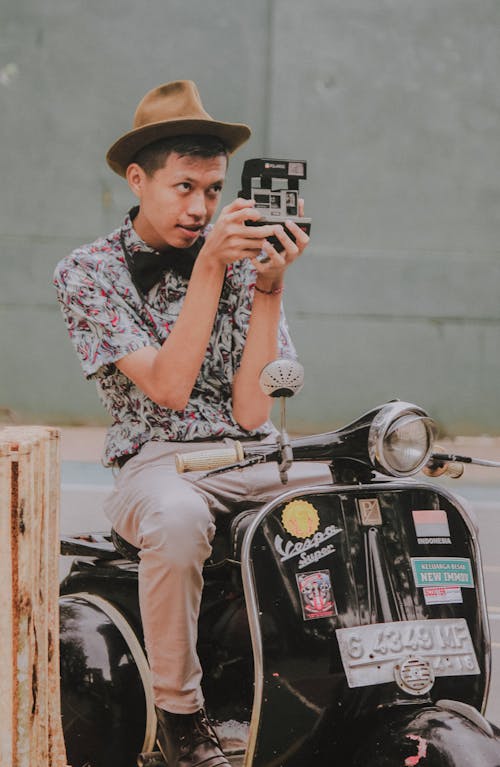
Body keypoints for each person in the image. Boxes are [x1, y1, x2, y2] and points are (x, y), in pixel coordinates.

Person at [53, 79, 330, 767]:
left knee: (355, 501)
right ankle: (181, 716)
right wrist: (209, 269)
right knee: (177, 520)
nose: (201, 207)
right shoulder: (88, 273)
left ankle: (337, 692)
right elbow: (171, 389)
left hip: (253, 455)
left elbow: (253, 411)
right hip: (157, 463)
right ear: (138, 179)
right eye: (184, 188)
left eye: (212, 189)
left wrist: (267, 288)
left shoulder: (241, 261)